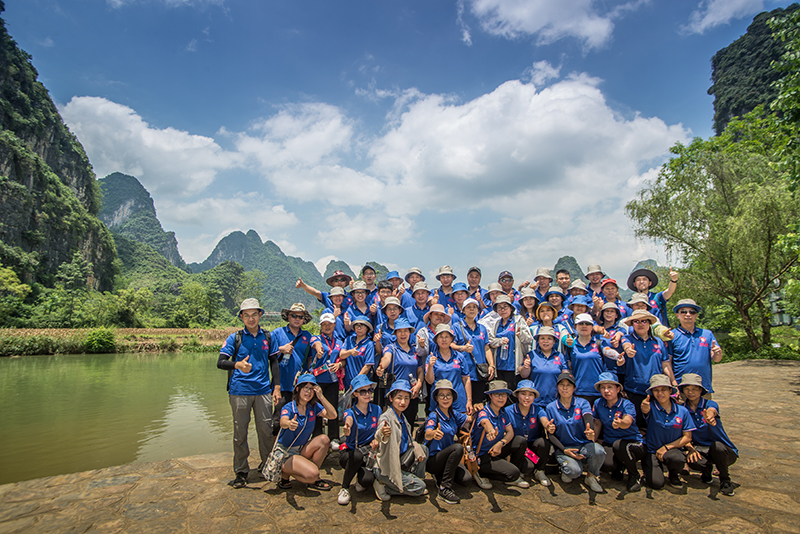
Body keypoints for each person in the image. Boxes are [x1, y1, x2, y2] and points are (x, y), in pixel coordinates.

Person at [217, 298, 282, 488]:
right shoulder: (234, 338)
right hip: (239, 391)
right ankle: (241, 471)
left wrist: (276, 387)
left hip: (263, 390)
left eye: (254, 314)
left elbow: (274, 363)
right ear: (241, 317)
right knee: (240, 432)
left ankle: (267, 465)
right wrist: (236, 364)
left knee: (266, 431)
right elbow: (221, 362)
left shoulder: (268, 337)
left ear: (260, 315)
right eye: (247, 315)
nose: (251, 319)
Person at [545, 371, 605, 492]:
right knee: (574, 472)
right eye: (562, 385)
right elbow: (551, 435)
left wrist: (590, 430)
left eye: (569, 385)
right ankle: (566, 468)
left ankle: (591, 476)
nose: (565, 388)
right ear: (557, 387)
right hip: (564, 447)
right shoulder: (551, 407)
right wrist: (564, 450)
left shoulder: (582, 403)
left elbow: (588, 417)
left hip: (582, 445)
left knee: (599, 450)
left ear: (574, 388)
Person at [276, 374, 338, 491]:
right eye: (306, 388)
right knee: (313, 474)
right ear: (298, 389)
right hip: (287, 452)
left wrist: (321, 397)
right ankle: (285, 471)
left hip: (301, 449)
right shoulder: (290, 407)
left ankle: (308, 473)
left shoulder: (313, 407)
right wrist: (289, 423)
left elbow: (333, 415)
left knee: (324, 439)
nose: (308, 392)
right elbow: (282, 421)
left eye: (312, 389)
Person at [679, 373, 738, 496]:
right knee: (692, 459)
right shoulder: (682, 410)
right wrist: (690, 449)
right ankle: (706, 470)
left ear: (700, 390)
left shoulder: (709, 405)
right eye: (687, 389)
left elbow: (712, 411)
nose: (691, 392)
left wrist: (710, 417)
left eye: (694, 389)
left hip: (723, 451)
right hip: (700, 449)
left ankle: (725, 480)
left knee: (717, 447)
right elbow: (684, 434)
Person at [620, 309, 676, 429]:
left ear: (650, 323)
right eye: (636, 321)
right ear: (632, 324)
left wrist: (673, 381)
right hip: (634, 390)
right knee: (637, 425)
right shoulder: (628, 338)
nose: (640, 324)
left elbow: (665, 364)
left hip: (656, 390)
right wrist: (628, 350)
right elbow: (626, 345)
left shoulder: (659, 342)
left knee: (656, 425)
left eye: (644, 321)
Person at [373, 379, 429, 501]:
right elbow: (380, 432)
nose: (403, 402)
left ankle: (413, 480)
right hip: (387, 468)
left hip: (401, 460)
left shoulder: (403, 418)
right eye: (399, 397)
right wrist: (383, 433)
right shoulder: (387, 417)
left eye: (406, 398)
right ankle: (384, 486)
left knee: (423, 449)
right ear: (391, 398)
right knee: (420, 488)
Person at [640, 374, 696, 489]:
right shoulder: (651, 407)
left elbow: (687, 437)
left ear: (670, 390)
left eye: (663, 389)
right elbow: (645, 411)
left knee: (677, 458)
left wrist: (666, 447)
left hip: (672, 450)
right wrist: (644, 409)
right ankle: (649, 471)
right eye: (656, 390)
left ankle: (674, 474)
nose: (660, 393)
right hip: (652, 450)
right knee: (656, 483)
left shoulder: (682, 411)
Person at [471, 380, 529, 490]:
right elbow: (485, 422)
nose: (501, 398)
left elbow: (510, 432)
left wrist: (501, 443)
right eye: (497, 395)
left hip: (496, 451)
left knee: (520, 441)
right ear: (491, 396)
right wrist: (491, 431)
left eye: (504, 395)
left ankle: (510, 473)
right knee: (513, 473)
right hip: (483, 455)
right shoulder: (484, 411)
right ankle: (480, 473)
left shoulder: (502, 413)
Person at [592, 372, 645, 492]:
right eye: (603, 387)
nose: (606, 391)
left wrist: (620, 423)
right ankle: (619, 466)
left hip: (632, 442)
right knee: (606, 464)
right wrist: (591, 440)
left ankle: (634, 475)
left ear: (618, 389)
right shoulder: (598, 403)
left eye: (610, 387)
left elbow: (628, 421)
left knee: (620, 445)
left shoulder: (627, 404)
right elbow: (597, 423)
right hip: (610, 441)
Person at [270, 303, 316, 436]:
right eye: (294, 315)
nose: (297, 319)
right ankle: (275, 450)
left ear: (304, 319)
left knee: (299, 417)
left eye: (300, 317)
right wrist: (281, 349)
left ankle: (295, 448)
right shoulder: (277, 333)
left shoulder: (307, 336)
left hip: (300, 386)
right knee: (278, 419)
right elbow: (267, 354)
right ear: (288, 317)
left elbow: (309, 358)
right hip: (282, 385)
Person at [425, 379, 471, 504]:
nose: (445, 399)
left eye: (448, 395)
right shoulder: (434, 415)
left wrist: (480, 409)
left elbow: (470, 419)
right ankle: (445, 488)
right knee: (458, 448)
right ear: (436, 398)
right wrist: (433, 433)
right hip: (435, 460)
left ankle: (442, 476)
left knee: (466, 479)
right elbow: (427, 433)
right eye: (441, 395)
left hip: (449, 459)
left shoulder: (453, 414)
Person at [338, 374, 381, 505]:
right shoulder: (350, 412)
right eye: (363, 391)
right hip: (351, 453)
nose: (367, 394)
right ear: (355, 394)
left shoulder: (376, 409)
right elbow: (348, 420)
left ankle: (359, 476)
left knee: (367, 481)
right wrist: (347, 427)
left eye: (370, 390)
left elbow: (379, 429)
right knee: (356, 456)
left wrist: (377, 439)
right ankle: (344, 488)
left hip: (368, 453)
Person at [669, 299, 723, 394]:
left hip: (703, 387)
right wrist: (673, 384)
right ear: (678, 315)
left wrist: (717, 353)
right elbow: (667, 362)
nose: (688, 314)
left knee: (705, 409)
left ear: (696, 315)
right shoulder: (671, 336)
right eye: (683, 312)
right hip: (681, 387)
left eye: (692, 312)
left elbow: (717, 359)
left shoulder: (707, 334)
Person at [376, 317, 423, 425]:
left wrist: (418, 385)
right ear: (395, 333)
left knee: (409, 424)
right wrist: (382, 366)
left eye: (405, 331)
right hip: (395, 393)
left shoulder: (415, 350)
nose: (403, 334)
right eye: (400, 331)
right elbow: (386, 358)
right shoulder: (390, 348)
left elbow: (420, 371)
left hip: (411, 393)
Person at [503, 380, 551, 486]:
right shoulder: (508, 410)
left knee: (543, 443)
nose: (527, 398)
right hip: (518, 447)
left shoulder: (538, 410)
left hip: (532, 446)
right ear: (517, 395)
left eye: (530, 395)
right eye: (523, 394)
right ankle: (516, 473)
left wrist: (548, 426)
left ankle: (540, 471)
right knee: (527, 467)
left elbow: (544, 420)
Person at [308, 312, 343, 449]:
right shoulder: (316, 338)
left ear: (334, 325)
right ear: (321, 326)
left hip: (332, 381)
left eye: (330, 324)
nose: (327, 327)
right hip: (318, 380)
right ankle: (317, 435)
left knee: (332, 407)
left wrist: (339, 364)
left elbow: (343, 358)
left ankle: (334, 437)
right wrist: (319, 348)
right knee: (316, 408)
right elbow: (315, 344)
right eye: (324, 324)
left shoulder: (339, 341)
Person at [425, 324, 473, 415]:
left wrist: (469, 400)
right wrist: (430, 366)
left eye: (447, 337)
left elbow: (466, 379)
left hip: (459, 400)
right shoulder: (431, 358)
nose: (444, 340)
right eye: (441, 337)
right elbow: (429, 381)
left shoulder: (460, 357)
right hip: (438, 401)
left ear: (451, 339)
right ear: (436, 340)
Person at [488, 294, 533, 389]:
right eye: (499, 308)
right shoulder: (497, 324)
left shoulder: (518, 320)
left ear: (511, 308)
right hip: (500, 365)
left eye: (505, 307)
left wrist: (520, 335)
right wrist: (500, 341)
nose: (503, 310)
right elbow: (491, 341)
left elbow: (528, 339)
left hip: (514, 365)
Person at [457, 297, 495, 406]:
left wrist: (491, 365)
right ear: (463, 310)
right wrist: (462, 348)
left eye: (474, 307)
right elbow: (450, 344)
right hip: (463, 371)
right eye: (468, 307)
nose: (472, 309)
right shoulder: (457, 327)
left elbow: (486, 348)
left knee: (478, 403)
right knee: (464, 403)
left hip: (479, 371)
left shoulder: (482, 328)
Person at [520, 326, 568, 408]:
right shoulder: (531, 355)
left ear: (554, 341)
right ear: (538, 341)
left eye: (549, 338)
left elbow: (565, 376)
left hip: (555, 402)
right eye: (542, 338)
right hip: (535, 402)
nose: (546, 341)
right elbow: (524, 375)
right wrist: (526, 367)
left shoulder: (560, 356)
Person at [568, 313, 610, 406]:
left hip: (599, 391)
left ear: (592, 327)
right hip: (578, 391)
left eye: (587, 324)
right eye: (581, 323)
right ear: (575, 326)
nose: (584, 326)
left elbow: (608, 366)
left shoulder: (600, 344)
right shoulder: (571, 346)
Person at [340, 317, 375, 392]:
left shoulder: (369, 344)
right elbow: (342, 355)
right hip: (348, 382)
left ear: (367, 328)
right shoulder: (349, 339)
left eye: (362, 326)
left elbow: (367, 366)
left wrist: (356, 382)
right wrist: (350, 352)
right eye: (357, 326)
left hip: (361, 383)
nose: (359, 328)